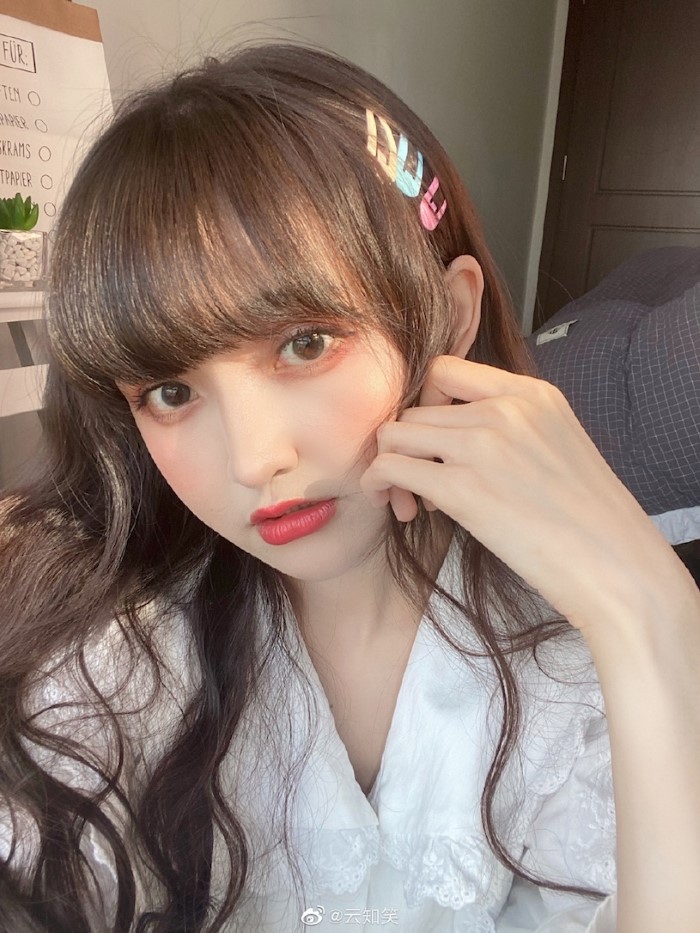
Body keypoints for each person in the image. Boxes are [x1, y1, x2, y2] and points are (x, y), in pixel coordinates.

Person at [0, 43, 698, 933]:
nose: (254, 460)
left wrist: (654, 610)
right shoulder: (113, 659)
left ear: (448, 313)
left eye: (304, 344)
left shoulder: (566, 657)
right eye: (170, 393)